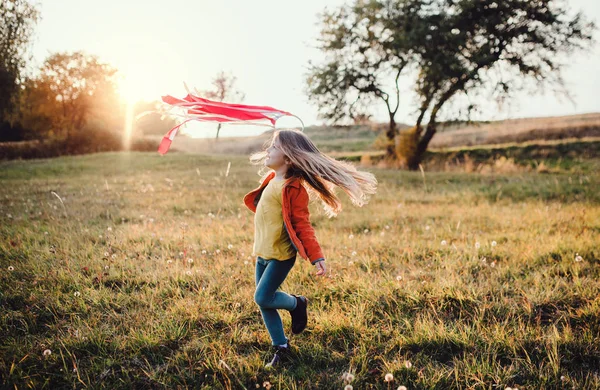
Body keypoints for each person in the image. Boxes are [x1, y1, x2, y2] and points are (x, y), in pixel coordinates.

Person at [243, 129, 377, 368]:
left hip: (280, 256)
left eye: (274, 147)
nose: (268, 150)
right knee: (265, 302)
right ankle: (281, 347)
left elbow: (303, 225)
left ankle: (297, 304)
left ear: (289, 158)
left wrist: (317, 257)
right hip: (262, 253)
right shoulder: (271, 180)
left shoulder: (294, 189)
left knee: (262, 297)